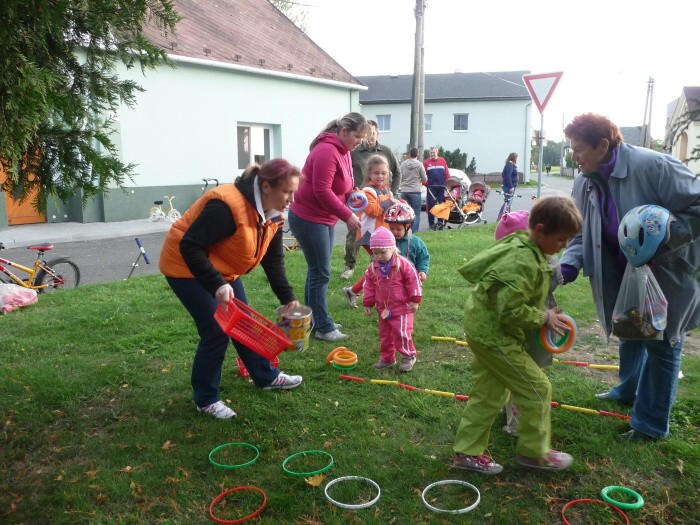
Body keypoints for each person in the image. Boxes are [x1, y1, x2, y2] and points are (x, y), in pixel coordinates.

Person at [559, 112, 700, 441]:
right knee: (629, 328)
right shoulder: (584, 180)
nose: (573, 156)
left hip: (665, 272)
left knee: (663, 343)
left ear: (603, 145)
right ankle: (628, 390)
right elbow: (580, 234)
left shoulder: (653, 166)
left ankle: (649, 426)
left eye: (578, 150)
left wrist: (662, 236)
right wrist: (569, 264)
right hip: (621, 273)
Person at [159, 159, 303, 420]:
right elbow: (190, 245)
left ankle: (265, 376)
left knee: (243, 322)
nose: (292, 199)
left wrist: (288, 297)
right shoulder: (226, 206)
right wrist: (216, 284)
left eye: (294, 192)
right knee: (216, 330)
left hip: (220, 266)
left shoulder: (274, 215)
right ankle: (205, 399)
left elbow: (273, 260)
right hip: (184, 265)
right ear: (267, 187)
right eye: (287, 192)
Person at [452, 195, 583, 474]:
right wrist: (543, 317)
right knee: (537, 388)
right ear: (539, 230)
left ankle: (466, 453)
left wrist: (542, 310)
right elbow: (510, 312)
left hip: (482, 329)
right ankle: (534, 455)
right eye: (561, 239)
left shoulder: (528, 247)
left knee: (489, 394)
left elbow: (515, 299)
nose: (564, 246)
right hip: (495, 336)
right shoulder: (522, 261)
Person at [288, 112, 370, 342]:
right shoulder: (326, 151)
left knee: (317, 271)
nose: (360, 142)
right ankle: (323, 327)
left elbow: (343, 185)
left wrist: (353, 195)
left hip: (322, 218)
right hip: (308, 218)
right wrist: (347, 215)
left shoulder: (343, 151)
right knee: (321, 272)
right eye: (358, 136)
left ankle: (315, 321)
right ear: (344, 132)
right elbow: (321, 191)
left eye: (363, 138)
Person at [493, 210, 564, 436]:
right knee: (527, 375)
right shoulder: (541, 263)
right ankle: (516, 424)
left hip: (516, 330)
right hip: (532, 327)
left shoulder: (501, 263)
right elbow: (556, 280)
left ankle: (508, 414)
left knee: (511, 373)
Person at [340, 120, 401, 280]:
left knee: (379, 260)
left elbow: (397, 172)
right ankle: (350, 267)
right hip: (362, 200)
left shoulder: (385, 151)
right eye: (365, 133)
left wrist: (392, 194)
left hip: (380, 200)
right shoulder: (355, 150)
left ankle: (364, 285)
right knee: (354, 235)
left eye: (371, 132)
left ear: (377, 132)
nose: (368, 136)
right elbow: (346, 171)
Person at [343, 202, 429, 308]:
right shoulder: (386, 243)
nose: (394, 232)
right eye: (391, 228)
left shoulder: (416, 242)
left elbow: (423, 258)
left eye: (398, 229)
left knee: (411, 296)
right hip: (390, 277)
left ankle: (408, 309)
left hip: (409, 277)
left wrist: (422, 270)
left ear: (408, 227)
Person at [362, 227, 422, 372]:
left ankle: (408, 355)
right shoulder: (373, 268)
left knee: (401, 332)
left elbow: (413, 280)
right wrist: (368, 302)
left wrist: (415, 299)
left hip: (402, 307)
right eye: (375, 253)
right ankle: (387, 358)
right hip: (383, 308)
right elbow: (369, 285)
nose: (379, 256)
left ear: (393, 249)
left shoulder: (403, 264)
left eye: (383, 252)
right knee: (385, 334)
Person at [341, 156, 399, 307]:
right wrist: (390, 202)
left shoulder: (386, 190)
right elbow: (373, 211)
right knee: (381, 265)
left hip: (382, 234)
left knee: (379, 265)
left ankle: (354, 290)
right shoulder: (367, 190)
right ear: (369, 174)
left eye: (383, 173)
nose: (380, 176)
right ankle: (365, 292)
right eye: (376, 173)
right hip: (370, 236)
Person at [399, 147, 427, 232]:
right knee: (416, 212)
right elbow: (425, 178)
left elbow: (400, 177)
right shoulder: (419, 164)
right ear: (417, 155)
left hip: (404, 190)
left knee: (405, 211)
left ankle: (405, 230)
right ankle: (414, 231)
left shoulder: (403, 164)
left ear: (409, 154)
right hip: (415, 191)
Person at [423, 146, 450, 230]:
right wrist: (426, 184)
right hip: (431, 188)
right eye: (431, 153)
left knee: (440, 205)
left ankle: (440, 223)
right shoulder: (426, 162)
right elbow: (423, 176)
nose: (432, 154)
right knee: (431, 206)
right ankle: (431, 224)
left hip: (441, 187)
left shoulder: (442, 160)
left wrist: (447, 184)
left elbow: (447, 174)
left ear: (437, 152)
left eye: (433, 152)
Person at [498, 152, 519, 219]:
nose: (517, 159)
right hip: (509, 187)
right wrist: (511, 186)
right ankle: (500, 218)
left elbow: (504, 175)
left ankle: (506, 217)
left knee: (508, 203)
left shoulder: (510, 165)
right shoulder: (509, 165)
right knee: (507, 203)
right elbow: (507, 176)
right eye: (517, 158)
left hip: (509, 186)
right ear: (514, 158)